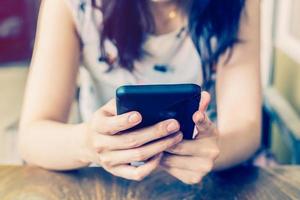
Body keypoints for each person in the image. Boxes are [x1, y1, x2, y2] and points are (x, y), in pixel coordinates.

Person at [18, 0, 261, 184]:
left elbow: (247, 128)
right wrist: (87, 143)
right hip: (106, 174)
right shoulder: (71, 5)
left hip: (209, 174)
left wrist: (215, 150)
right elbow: (31, 138)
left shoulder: (239, 4)